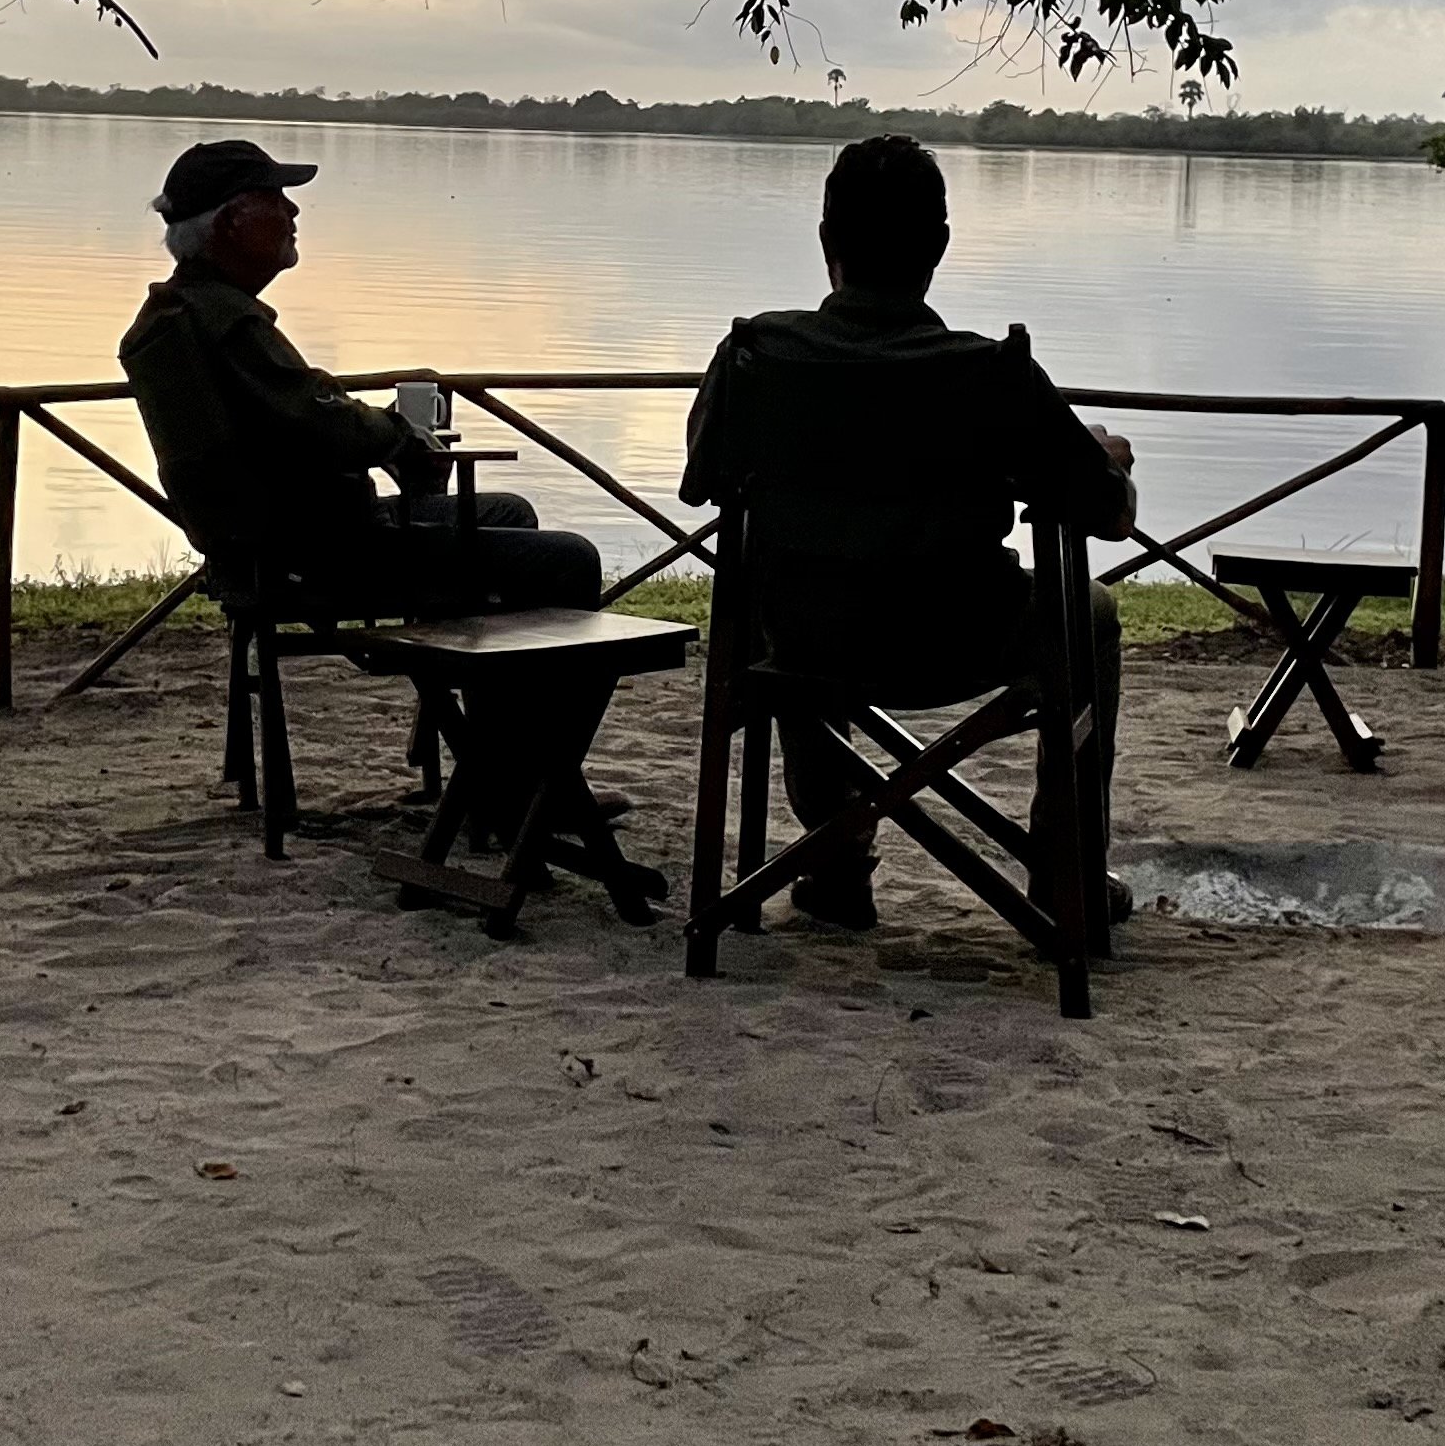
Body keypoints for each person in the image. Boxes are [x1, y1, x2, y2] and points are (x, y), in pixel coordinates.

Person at [679, 135, 1134, 929]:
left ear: (827, 242)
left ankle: (836, 863)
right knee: (1088, 613)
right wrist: (1107, 459)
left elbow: (700, 483)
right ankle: (1066, 879)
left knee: (794, 596)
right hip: (957, 636)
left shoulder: (755, 356)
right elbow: (1106, 514)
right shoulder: (992, 372)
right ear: (941, 248)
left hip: (804, 640)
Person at [118, 139, 603, 615]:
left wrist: (382, 437)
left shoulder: (174, 315)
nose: (292, 212)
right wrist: (402, 437)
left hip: (265, 546)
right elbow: (322, 422)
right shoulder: (227, 324)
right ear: (229, 223)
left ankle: (450, 688)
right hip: (321, 554)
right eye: (274, 200)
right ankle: (482, 684)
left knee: (508, 514)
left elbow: (295, 417)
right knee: (572, 559)